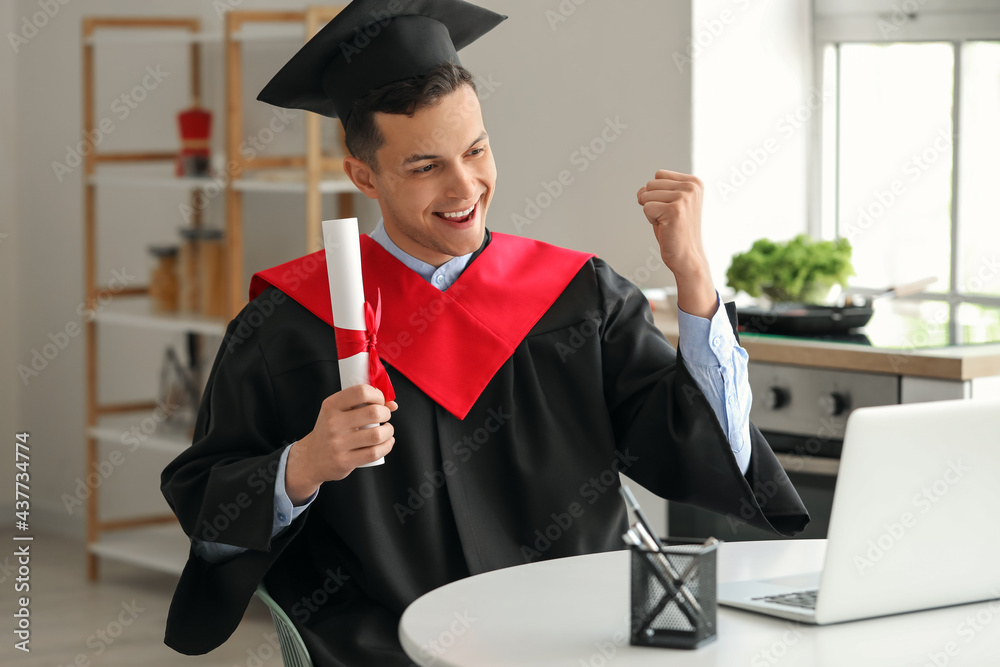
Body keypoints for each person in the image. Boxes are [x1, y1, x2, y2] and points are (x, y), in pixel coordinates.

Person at [160, 1, 809, 664]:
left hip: (578, 639)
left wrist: (694, 277)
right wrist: (303, 464)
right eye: (424, 166)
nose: (464, 185)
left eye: (476, 150)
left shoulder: (576, 297)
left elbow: (691, 445)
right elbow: (210, 514)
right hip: (389, 647)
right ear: (364, 176)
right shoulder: (288, 325)